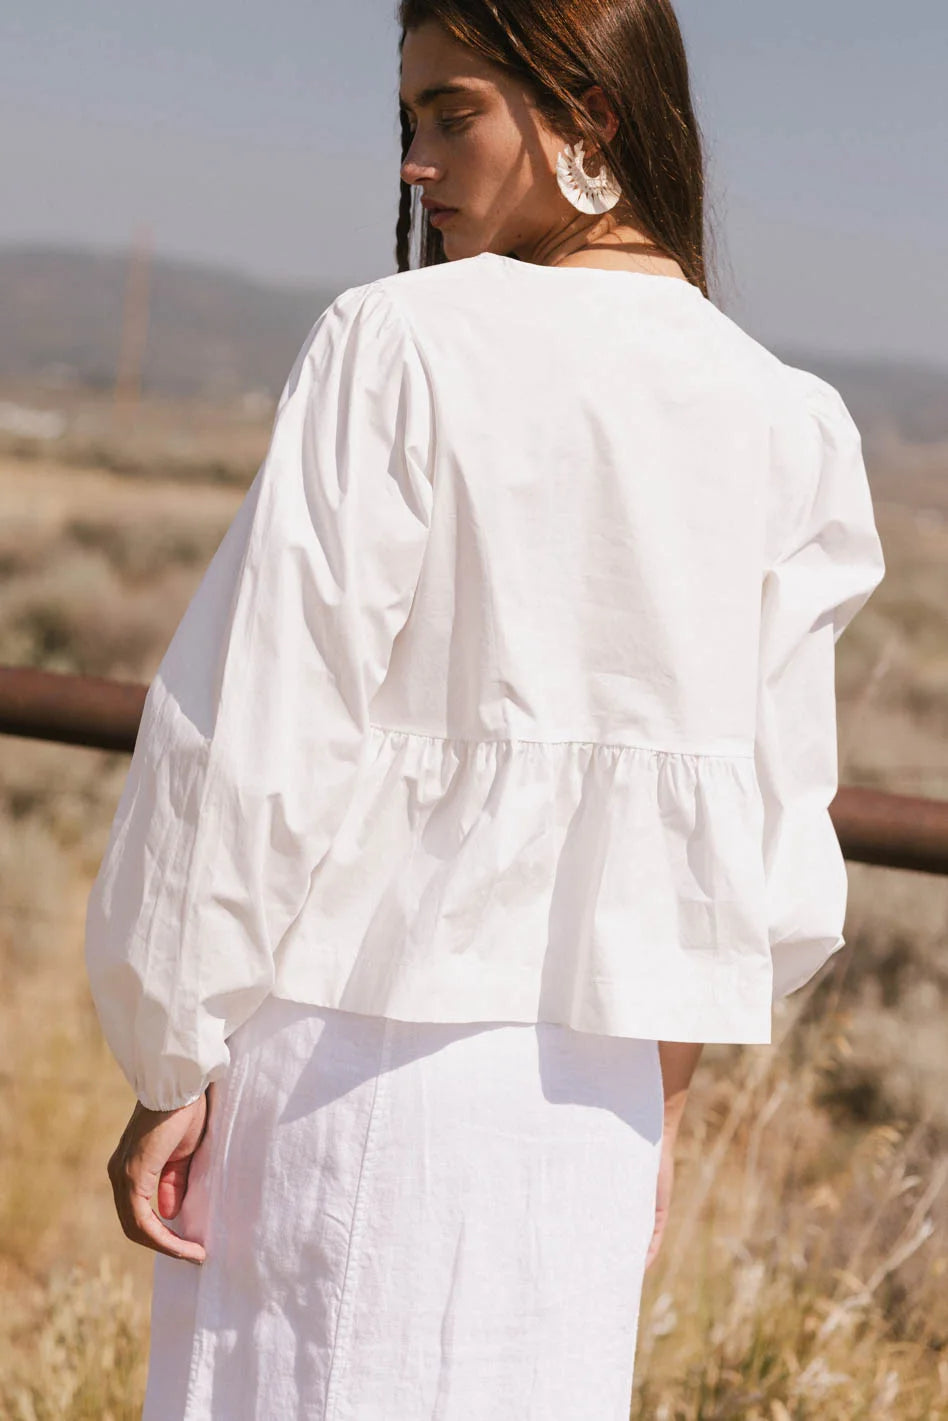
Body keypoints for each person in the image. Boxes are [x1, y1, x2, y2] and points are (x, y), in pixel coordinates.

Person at [84, 2, 886, 1417]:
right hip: (596, 1103)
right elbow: (757, 839)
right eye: (410, 119)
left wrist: (173, 1051)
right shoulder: (785, 419)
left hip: (350, 1057)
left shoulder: (396, 344)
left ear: (591, 116)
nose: (414, 159)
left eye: (453, 112)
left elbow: (261, 733)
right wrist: (665, 1109)